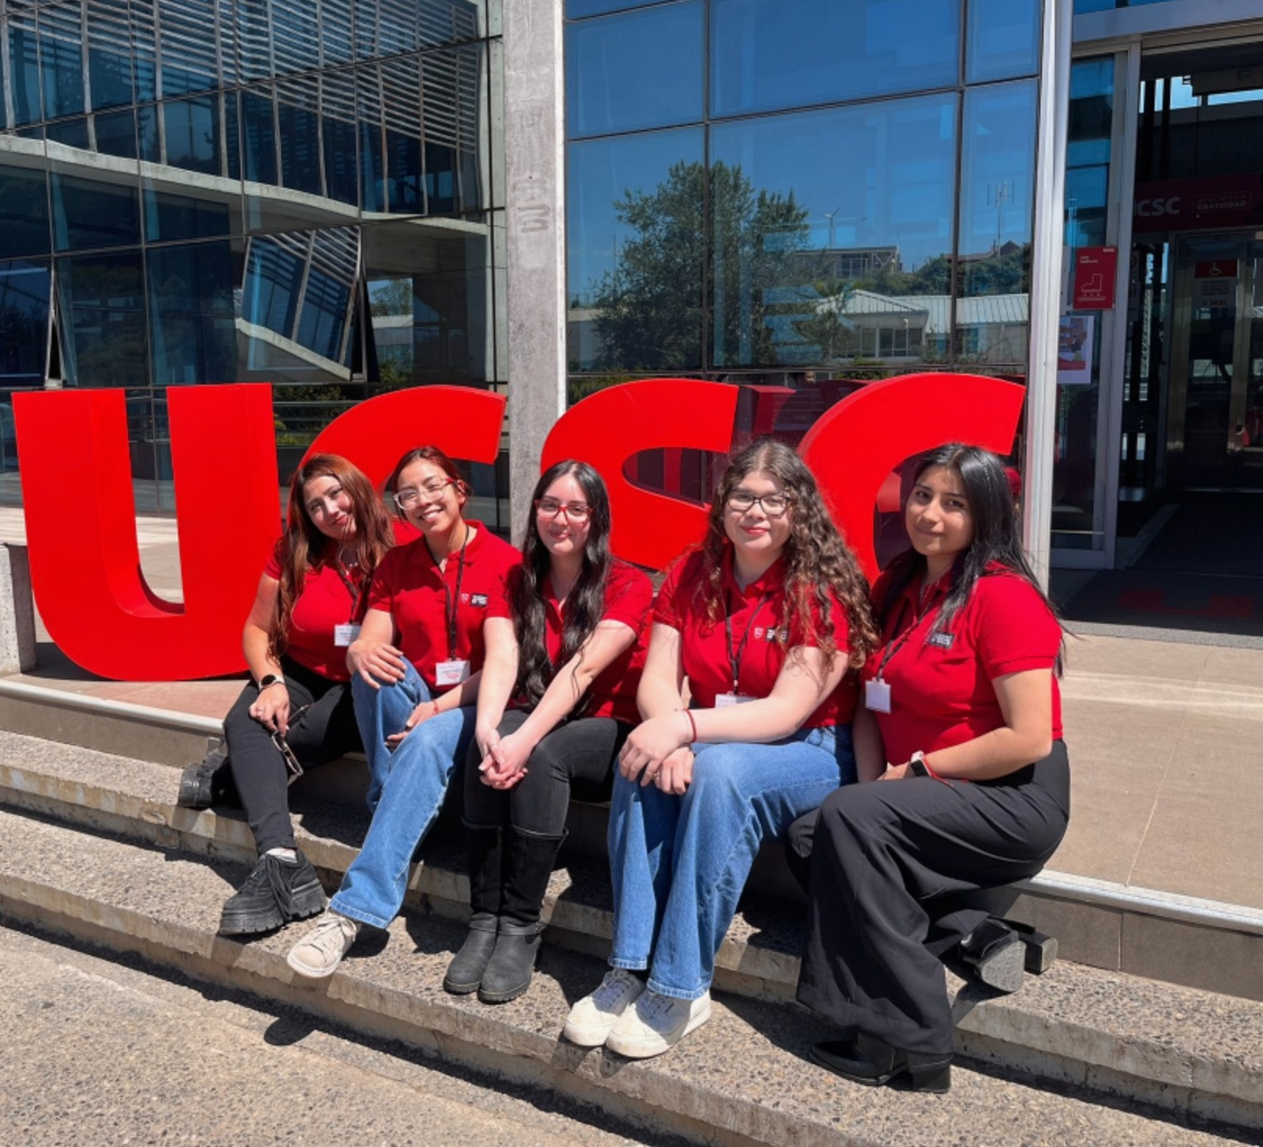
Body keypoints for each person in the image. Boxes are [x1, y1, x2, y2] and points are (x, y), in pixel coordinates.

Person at [561, 437, 876, 1060]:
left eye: (773, 500)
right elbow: (657, 678)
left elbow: (789, 708)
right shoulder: (691, 571)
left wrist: (687, 732)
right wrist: (670, 732)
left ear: (799, 509)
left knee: (723, 772)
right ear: (722, 503)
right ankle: (629, 966)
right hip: (712, 735)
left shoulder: (821, 588)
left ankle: (681, 985)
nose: (755, 512)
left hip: (811, 749)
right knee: (639, 759)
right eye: (742, 496)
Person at [795, 443, 1070, 1094]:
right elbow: (868, 701)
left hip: (1010, 797)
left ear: (987, 517)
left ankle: (911, 1039)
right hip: (926, 790)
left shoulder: (1004, 600)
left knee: (847, 826)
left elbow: (1029, 738)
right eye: (923, 497)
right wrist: (870, 794)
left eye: (954, 504)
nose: (932, 515)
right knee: (815, 836)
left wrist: (915, 773)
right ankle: (971, 933)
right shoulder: (898, 588)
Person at [287, 446, 522, 978]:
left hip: (478, 705)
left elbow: (508, 666)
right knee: (371, 664)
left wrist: (436, 708)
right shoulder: (397, 564)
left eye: (433, 486)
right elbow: (371, 637)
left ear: (460, 490)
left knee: (426, 736)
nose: (423, 500)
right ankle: (402, 802)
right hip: (412, 703)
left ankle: (350, 913)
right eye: (408, 494)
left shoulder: (505, 563)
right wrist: (356, 649)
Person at [445, 460, 652, 1004]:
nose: (561, 519)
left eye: (577, 509)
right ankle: (483, 918)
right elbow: (502, 658)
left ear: (596, 519)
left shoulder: (628, 583)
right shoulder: (515, 578)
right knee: (480, 744)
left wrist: (521, 740)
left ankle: (518, 925)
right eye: (550, 505)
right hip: (536, 706)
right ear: (534, 509)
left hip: (607, 723)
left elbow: (583, 669)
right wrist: (490, 731)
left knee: (544, 752)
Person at [209, 454, 397, 937]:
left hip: (365, 682)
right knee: (248, 720)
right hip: (300, 669)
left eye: (337, 494)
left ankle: (230, 776)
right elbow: (256, 627)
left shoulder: (403, 547)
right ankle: (280, 857)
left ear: (359, 487)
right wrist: (271, 682)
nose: (330, 510)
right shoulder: (295, 551)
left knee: (301, 737)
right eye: (315, 505)